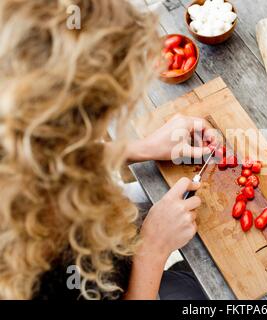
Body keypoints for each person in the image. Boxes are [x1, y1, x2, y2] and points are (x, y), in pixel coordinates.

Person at [0, 0, 217, 300]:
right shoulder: (28, 283)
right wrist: (152, 251)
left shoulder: (14, 127)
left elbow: (53, 154)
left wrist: (142, 148)